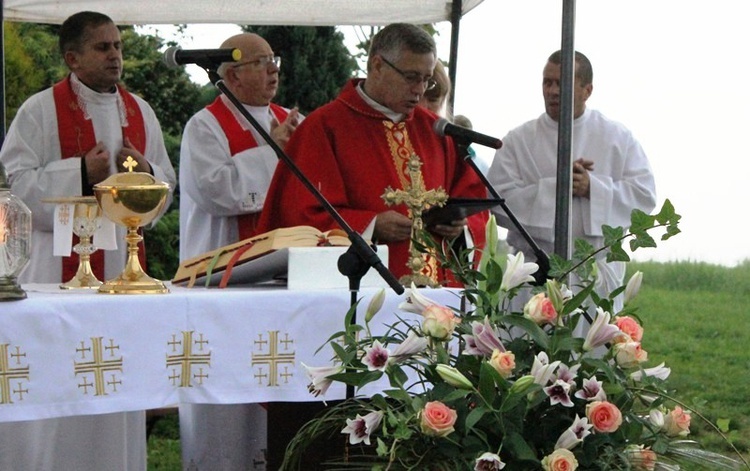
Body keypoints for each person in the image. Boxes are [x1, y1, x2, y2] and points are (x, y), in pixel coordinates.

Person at [0, 11, 176, 471]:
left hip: (122, 268)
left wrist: (147, 173)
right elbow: (12, 187)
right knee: (56, 376)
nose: (115, 56)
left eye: (117, 46)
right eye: (103, 48)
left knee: (113, 376)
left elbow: (167, 189)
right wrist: (82, 172)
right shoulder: (39, 111)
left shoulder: (140, 112)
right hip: (53, 271)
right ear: (72, 57)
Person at [256, 23, 489, 286]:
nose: (420, 90)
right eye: (411, 77)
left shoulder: (435, 130)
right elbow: (298, 216)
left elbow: (472, 200)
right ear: (377, 66)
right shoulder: (324, 128)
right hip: (361, 293)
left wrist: (459, 226)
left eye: (427, 79)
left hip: (437, 299)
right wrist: (369, 225)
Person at [177, 32, 301, 470]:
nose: (273, 70)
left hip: (279, 284)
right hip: (219, 279)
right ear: (230, 74)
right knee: (224, 396)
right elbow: (218, 190)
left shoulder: (289, 120)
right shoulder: (204, 125)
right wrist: (278, 153)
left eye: (274, 60)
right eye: (261, 61)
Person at [487, 50, 656, 309]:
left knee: (590, 347)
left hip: (594, 276)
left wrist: (592, 188)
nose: (552, 91)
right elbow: (496, 201)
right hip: (533, 273)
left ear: (587, 90)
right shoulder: (518, 140)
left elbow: (644, 198)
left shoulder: (617, 138)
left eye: (561, 83)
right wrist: (557, 187)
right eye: (547, 82)